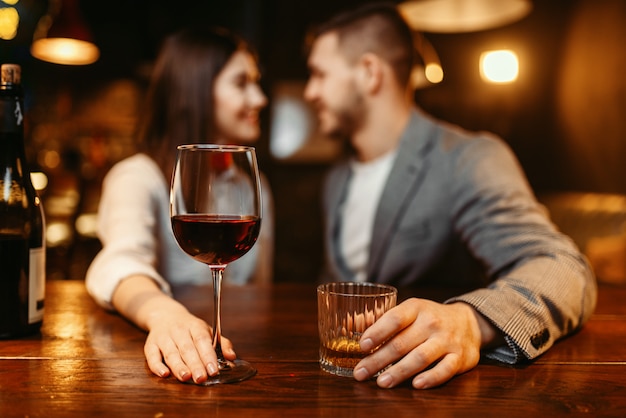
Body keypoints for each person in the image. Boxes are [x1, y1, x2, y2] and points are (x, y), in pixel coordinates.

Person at [304, 3, 597, 390]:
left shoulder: (468, 158)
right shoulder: (336, 179)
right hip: (340, 387)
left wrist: (469, 321)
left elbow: (564, 268)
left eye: (320, 74)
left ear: (369, 73)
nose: (310, 91)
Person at [86, 27, 274, 384]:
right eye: (241, 83)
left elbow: (259, 289)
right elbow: (119, 262)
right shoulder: (137, 177)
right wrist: (164, 315)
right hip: (170, 369)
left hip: (241, 356)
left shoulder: (254, 183)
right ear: (197, 90)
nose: (260, 98)